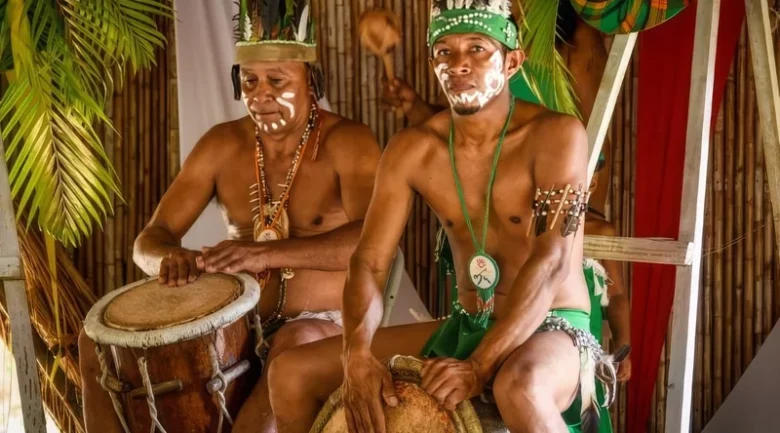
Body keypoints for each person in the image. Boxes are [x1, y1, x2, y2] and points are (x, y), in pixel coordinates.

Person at [268, 2, 616, 432]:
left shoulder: (558, 136)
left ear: (511, 62)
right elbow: (370, 261)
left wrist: (479, 365)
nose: (459, 64)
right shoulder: (414, 149)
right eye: (445, 52)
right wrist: (355, 353)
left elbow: (552, 261)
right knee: (291, 372)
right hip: (466, 321)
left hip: (553, 326)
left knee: (519, 387)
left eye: (476, 48)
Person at [77, 1, 381, 432]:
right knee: (95, 343)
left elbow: (373, 241)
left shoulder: (350, 142)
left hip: (323, 323)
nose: (261, 95)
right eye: (250, 81)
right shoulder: (221, 145)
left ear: (311, 81)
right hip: (238, 321)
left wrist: (264, 256)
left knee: (291, 347)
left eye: (277, 81)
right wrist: (168, 259)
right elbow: (148, 241)